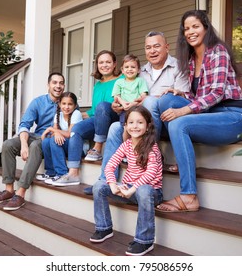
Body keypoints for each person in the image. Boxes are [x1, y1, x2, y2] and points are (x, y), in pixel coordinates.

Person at [155, 10, 242, 212]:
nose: (190, 32)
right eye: (186, 28)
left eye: (195, 26)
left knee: (179, 122)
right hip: (209, 114)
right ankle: (183, 159)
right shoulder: (190, 60)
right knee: (166, 101)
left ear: (206, 28)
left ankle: (189, 196)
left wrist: (183, 111)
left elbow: (216, 93)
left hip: (232, 116)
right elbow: (198, 99)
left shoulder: (218, 52)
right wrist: (180, 95)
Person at [84, 31, 189, 195]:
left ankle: (151, 150)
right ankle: (105, 181)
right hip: (137, 124)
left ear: (167, 47)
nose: (152, 51)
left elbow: (185, 97)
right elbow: (129, 93)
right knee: (114, 128)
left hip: (166, 123)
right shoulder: (140, 71)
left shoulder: (178, 66)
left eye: (156, 46)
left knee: (151, 101)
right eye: (148, 47)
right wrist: (118, 106)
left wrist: (172, 93)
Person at [90, 106, 163, 256]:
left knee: (143, 190)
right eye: (131, 122)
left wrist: (132, 189)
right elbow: (110, 165)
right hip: (128, 190)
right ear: (125, 125)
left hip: (150, 193)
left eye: (140, 122)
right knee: (99, 186)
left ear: (148, 126)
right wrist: (112, 184)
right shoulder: (126, 145)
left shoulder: (152, 147)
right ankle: (104, 228)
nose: (135, 126)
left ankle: (144, 241)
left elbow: (150, 173)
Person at [0, 72, 65, 210]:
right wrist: (23, 145)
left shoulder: (67, 102)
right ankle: (9, 189)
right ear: (48, 85)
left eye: (61, 83)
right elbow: (24, 125)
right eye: (54, 82)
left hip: (50, 139)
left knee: (35, 145)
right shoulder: (38, 102)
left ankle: (21, 193)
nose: (58, 86)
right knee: (8, 145)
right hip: (36, 135)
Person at [56, 50, 122, 185]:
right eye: (101, 62)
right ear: (97, 65)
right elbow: (93, 110)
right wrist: (73, 114)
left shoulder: (122, 79)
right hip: (99, 118)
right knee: (77, 129)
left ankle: (97, 147)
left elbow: (104, 107)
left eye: (108, 62)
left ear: (114, 64)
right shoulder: (98, 85)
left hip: (115, 117)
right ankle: (73, 173)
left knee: (103, 106)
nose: (104, 65)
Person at [40, 92, 83, 186]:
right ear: (59, 104)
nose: (66, 107)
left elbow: (69, 134)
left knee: (53, 141)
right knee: (46, 141)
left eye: (70, 104)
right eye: (64, 104)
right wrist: (55, 132)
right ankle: (51, 172)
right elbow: (54, 134)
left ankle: (62, 173)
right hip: (64, 145)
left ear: (75, 105)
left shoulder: (77, 114)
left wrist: (51, 129)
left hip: (76, 148)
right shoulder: (58, 115)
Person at [112, 54, 148, 141]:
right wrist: (123, 103)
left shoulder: (140, 81)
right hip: (124, 110)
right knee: (126, 129)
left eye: (133, 67)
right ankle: (127, 147)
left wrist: (133, 104)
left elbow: (143, 95)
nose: (129, 69)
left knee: (139, 129)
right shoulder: (119, 82)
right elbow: (116, 96)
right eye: (127, 67)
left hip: (138, 109)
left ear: (138, 70)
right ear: (122, 70)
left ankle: (139, 146)